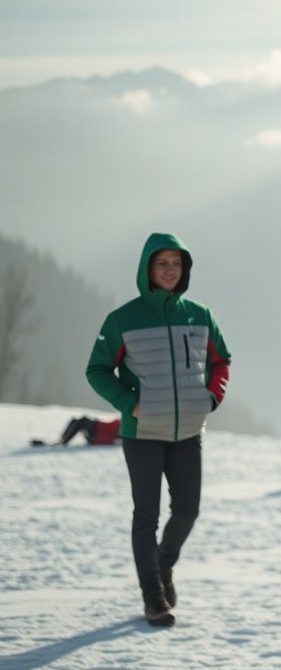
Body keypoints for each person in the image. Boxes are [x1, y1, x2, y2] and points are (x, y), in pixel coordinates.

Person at [85, 233, 231, 628]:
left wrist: (211, 398)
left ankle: (163, 565)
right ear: (147, 268)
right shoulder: (122, 319)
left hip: (188, 432)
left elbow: (222, 360)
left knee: (187, 511)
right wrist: (129, 403)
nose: (169, 270)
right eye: (162, 263)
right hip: (142, 433)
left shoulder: (200, 315)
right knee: (145, 516)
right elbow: (97, 369)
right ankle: (153, 596)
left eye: (176, 263)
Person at [30, 415, 121, 446]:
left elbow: (117, 440)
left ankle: (63, 441)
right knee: (77, 421)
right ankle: (63, 439)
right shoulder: (123, 424)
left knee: (82, 421)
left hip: (97, 433)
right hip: (97, 429)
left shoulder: (124, 429)